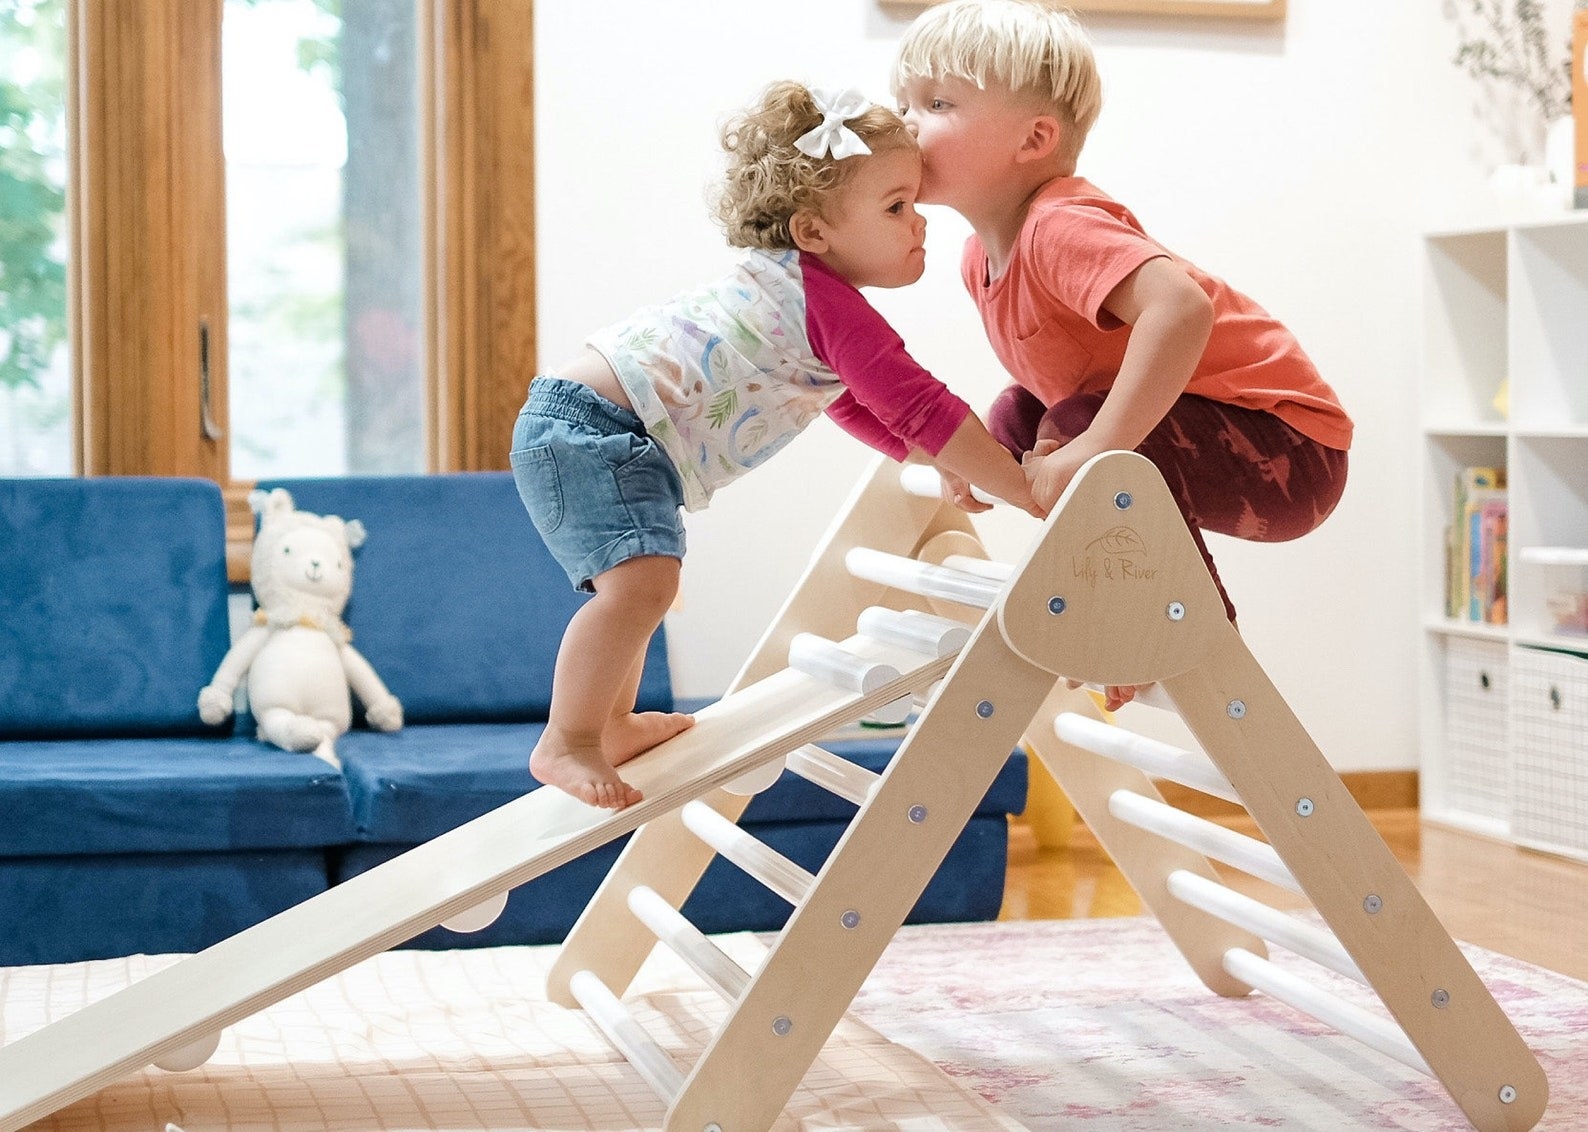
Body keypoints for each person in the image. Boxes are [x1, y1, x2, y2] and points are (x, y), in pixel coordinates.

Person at [512, 81, 1044, 810]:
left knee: (644, 585)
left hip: (603, 432)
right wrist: (1023, 484)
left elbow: (855, 405)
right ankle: (567, 740)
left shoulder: (803, 296)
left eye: (915, 203)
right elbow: (918, 404)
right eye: (896, 207)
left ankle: (608, 724)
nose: (918, 224)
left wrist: (935, 461)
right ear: (813, 231)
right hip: (593, 429)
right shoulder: (823, 301)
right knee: (641, 588)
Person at [893, 0, 1352, 708]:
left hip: (1293, 449)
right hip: (1197, 432)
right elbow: (1043, 388)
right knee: (1023, 417)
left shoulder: (1058, 224)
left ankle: (1171, 616)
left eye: (936, 102)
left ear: (1034, 137)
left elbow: (1180, 307)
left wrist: (1099, 441)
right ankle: (1118, 592)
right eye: (904, 103)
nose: (905, 122)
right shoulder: (977, 258)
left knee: (1078, 430)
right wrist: (980, 452)